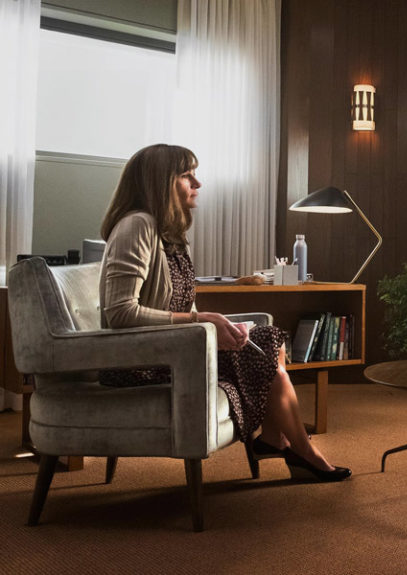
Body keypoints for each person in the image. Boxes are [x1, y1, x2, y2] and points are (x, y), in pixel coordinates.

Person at [98, 143, 350, 482]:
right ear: (160, 182)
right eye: (186, 176)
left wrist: (218, 327)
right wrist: (202, 321)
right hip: (141, 362)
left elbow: (181, 306)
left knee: (269, 340)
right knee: (266, 354)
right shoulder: (136, 226)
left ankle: (277, 440)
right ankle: (302, 452)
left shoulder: (169, 234)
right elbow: (120, 312)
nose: (197, 184)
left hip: (174, 350)